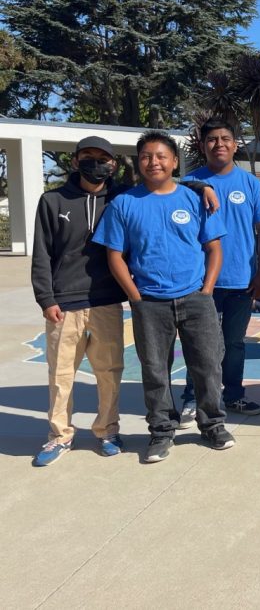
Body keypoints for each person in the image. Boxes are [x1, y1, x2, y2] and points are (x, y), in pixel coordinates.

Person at [93, 131, 232, 463]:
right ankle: (160, 432)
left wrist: (207, 290)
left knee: (208, 366)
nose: (153, 162)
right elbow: (115, 256)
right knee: (155, 370)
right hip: (150, 303)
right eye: (146, 156)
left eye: (160, 156)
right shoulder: (124, 204)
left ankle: (212, 424)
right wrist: (136, 297)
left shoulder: (194, 198)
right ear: (138, 162)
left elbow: (214, 249)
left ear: (173, 162)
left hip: (196, 298)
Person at [30, 136, 127, 466]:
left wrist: (201, 188)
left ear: (113, 164)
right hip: (63, 304)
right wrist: (46, 298)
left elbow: (163, 191)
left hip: (107, 301)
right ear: (75, 161)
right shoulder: (53, 200)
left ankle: (107, 431)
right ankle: (59, 436)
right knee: (60, 375)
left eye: (103, 157)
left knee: (109, 372)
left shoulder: (122, 198)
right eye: (88, 156)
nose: (96, 162)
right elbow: (42, 253)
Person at [179, 118, 260, 424]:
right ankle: (192, 397)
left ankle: (233, 394)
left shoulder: (250, 184)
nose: (219, 144)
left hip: (241, 280)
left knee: (234, 343)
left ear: (236, 144)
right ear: (202, 145)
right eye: (211, 139)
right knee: (198, 343)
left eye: (225, 138)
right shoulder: (188, 183)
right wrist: (200, 185)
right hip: (200, 281)